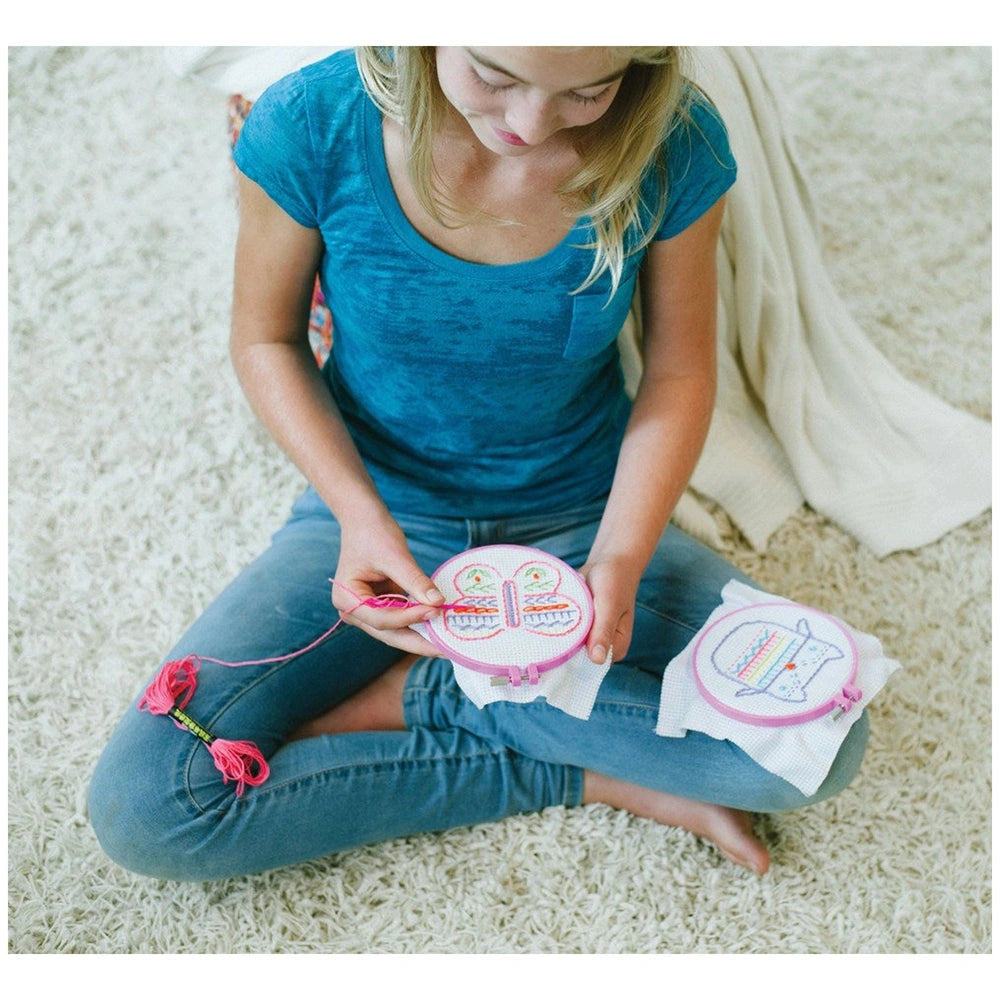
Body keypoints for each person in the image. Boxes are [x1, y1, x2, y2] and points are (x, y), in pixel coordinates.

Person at [89, 47, 868, 881]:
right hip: (379, 515)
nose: (528, 127)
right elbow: (263, 339)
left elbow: (679, 372)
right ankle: (580, 767)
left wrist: (622, 553)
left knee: (822, 746)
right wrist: (357, 516)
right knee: (149, 806)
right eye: (494, 77)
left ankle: (422, 693)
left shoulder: (674, 139)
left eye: (588, 91)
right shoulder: (309, 122)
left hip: (581, 517)